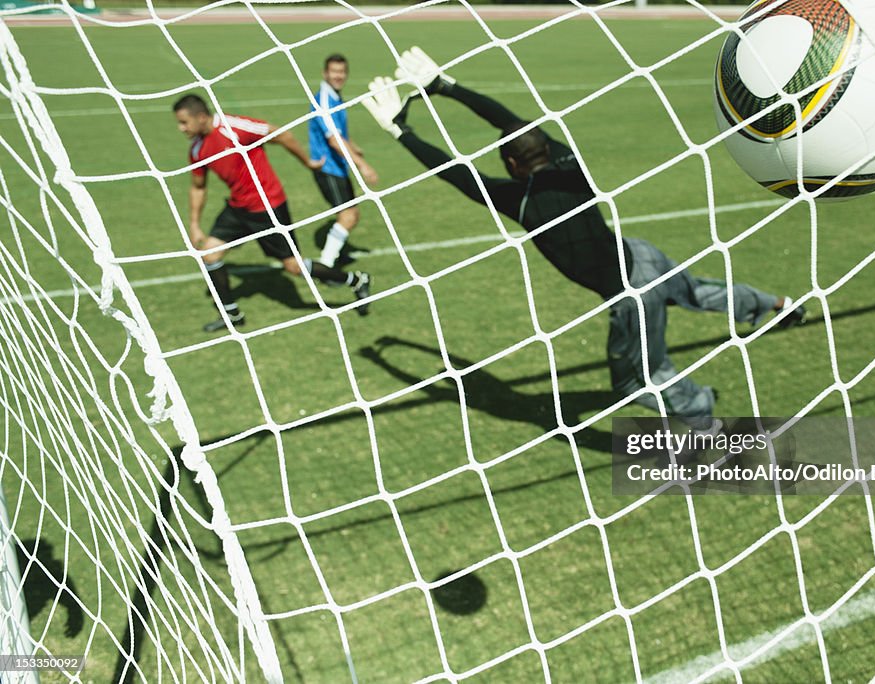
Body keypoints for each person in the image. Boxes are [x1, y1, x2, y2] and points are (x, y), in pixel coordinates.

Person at [361, 48, 806, 419]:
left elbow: (453, 171)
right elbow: (509, 121)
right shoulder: (570, 166)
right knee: (702, 291)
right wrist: (444, 86)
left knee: (638, 380)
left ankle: (705, 423)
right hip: (641, 255)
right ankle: (776, 304)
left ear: (513, 165)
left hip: (631, 292)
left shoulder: (520, 201)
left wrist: (402, 131)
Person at [173, 94, 371, 332]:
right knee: (209, 255)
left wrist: (306, 161)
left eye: (184, 122)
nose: (181, 128)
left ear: (201, 117)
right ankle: (232, 314)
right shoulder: (197, 149)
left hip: (268, 207)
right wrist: (194, 224)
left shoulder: (234, 128)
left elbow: (281, 134)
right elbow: (198, 186)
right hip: (237, 208)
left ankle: (357, 280)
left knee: (294, 267)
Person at [310, 54, 378, 268]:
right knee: (348, 216)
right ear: (325, 73)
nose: (338, 76)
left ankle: (333, 256)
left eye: (342, 72)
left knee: (350, 214)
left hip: (337, 166)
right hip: (328, 167)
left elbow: (338, 135)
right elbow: (334, 140)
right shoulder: (324, 100)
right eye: (334, 71)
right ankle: (327, 265)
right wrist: (362, 164)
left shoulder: (335, 96)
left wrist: (354, 147)